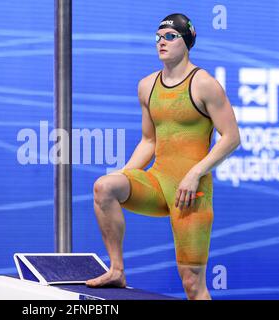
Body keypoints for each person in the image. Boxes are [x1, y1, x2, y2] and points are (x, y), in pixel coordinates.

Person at [85, 13, 241, 300]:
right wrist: (124, 174)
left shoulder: (204, 83)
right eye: (158, 37)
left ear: (187, 41)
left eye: (170, 36)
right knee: (105, 186)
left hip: (191, 195)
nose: (161, 42)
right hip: (158, 184)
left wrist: (195, 174)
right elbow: (148, 140)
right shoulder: (147, 86)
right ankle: (117, 270)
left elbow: (231, 137)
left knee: (193, 285)